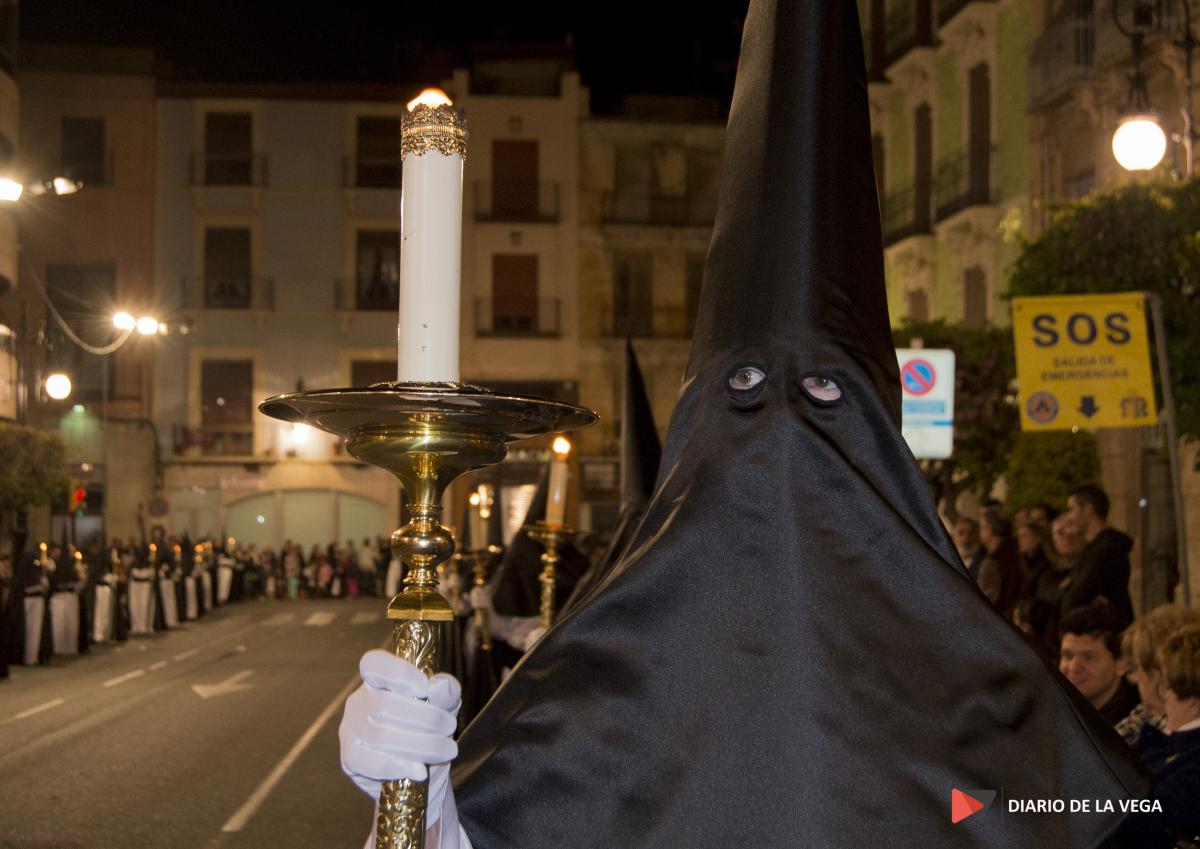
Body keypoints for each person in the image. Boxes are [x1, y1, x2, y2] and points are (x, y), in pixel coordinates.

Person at [337, 1, 1148, 845]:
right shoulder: (607, 673)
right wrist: (421, 804)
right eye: (747, 385)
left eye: (826, 392)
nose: (786, 426)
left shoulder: (993, 699)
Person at [1117, 623, 1200, 847]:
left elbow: (1140, 818)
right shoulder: (1167, 744)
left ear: (1194, 703)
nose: (1164, 698)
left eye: (1168, 688)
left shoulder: (1192, 762)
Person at [1117, 604, 1200, 744]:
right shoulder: (1144, 715)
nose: (1134, 679)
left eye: (1137, 667)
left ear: (1161, 673)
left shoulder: (1177, 734)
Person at [1060, 483, 1134, 626]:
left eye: (1071, 510)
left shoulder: (1107, 550)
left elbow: (1075, 597)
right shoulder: (1092, 550)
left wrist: (1071, 587)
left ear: (1088, 509)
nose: (1068, 517)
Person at [1059, 603, 1139, 727]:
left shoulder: (1133, 726)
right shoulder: (1055, 711)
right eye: (1068, 656)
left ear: (1121, 664)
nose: (1074, 668)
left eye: (1088, 657)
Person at [975, 511, 1023, 617]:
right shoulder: (1015, 552)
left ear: (989, 530)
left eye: (981, 527)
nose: (979, 532)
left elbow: (987, 599)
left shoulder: (993, 561)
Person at [952, 516, 986, 581]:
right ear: (953, 536)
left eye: (971, 533)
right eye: (961, 533)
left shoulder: (985, 562)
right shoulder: (948, 561)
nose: (966, 538)